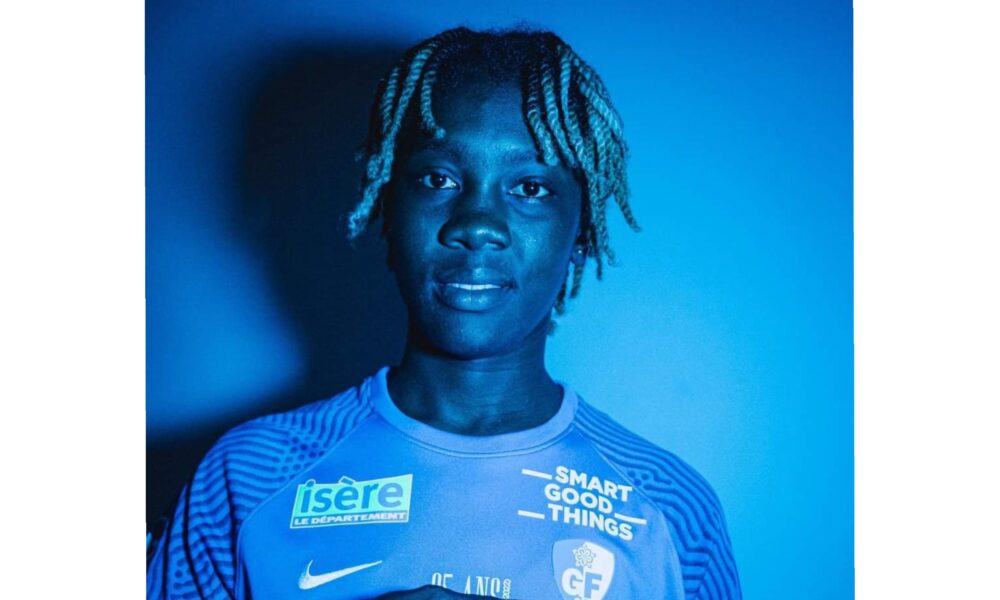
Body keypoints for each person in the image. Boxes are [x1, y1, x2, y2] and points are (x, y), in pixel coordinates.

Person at [147, 26, 741, 600]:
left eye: (530, 188)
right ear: (386, 206)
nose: (476, 223)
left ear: (580, 231)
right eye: (438, 178)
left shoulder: (669, 509)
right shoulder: (248, 475)